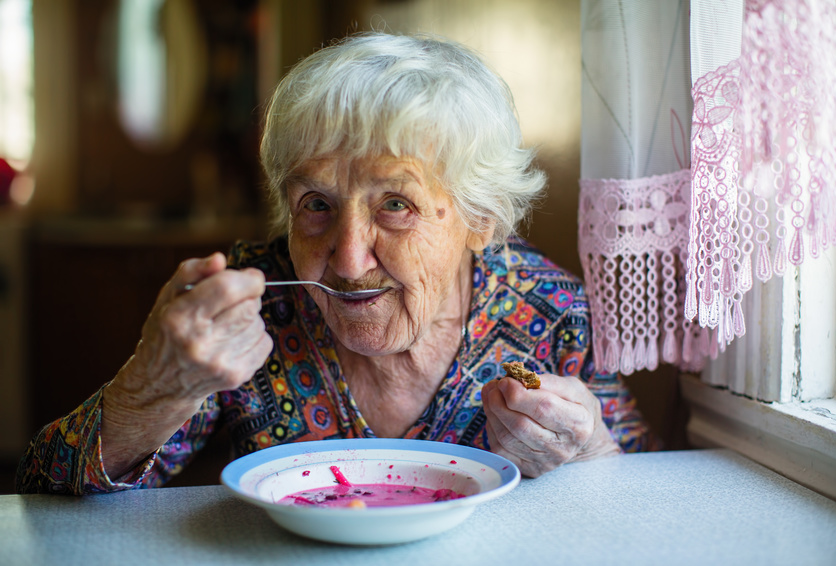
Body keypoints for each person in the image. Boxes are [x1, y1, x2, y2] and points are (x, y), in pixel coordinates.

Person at [17, 32, 651, 495]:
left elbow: (644, 498)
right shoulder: (250, 308)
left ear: (479, 219)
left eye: (396, 203)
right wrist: (150, 388)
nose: (347, 260)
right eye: (316, 204)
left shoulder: (555, 311)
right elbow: (45, 496)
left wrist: (588, 449)